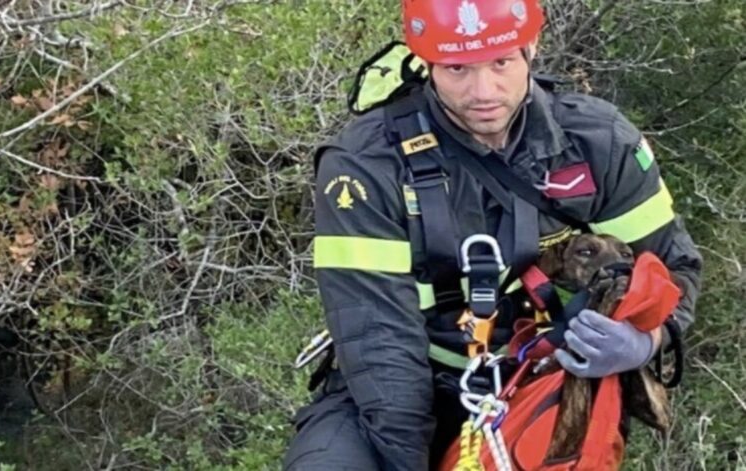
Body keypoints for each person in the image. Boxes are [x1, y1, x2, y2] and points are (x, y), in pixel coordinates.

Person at [282, 1, 703, 470]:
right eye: (457, 67)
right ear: (427, 63)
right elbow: (380, 343)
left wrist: (646, 340)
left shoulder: (597, 141)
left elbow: (674, 267)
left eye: (501, 63)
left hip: (545, 379)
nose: (483, 91)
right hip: (409, 379)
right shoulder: (367, 165)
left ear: (530, 49)